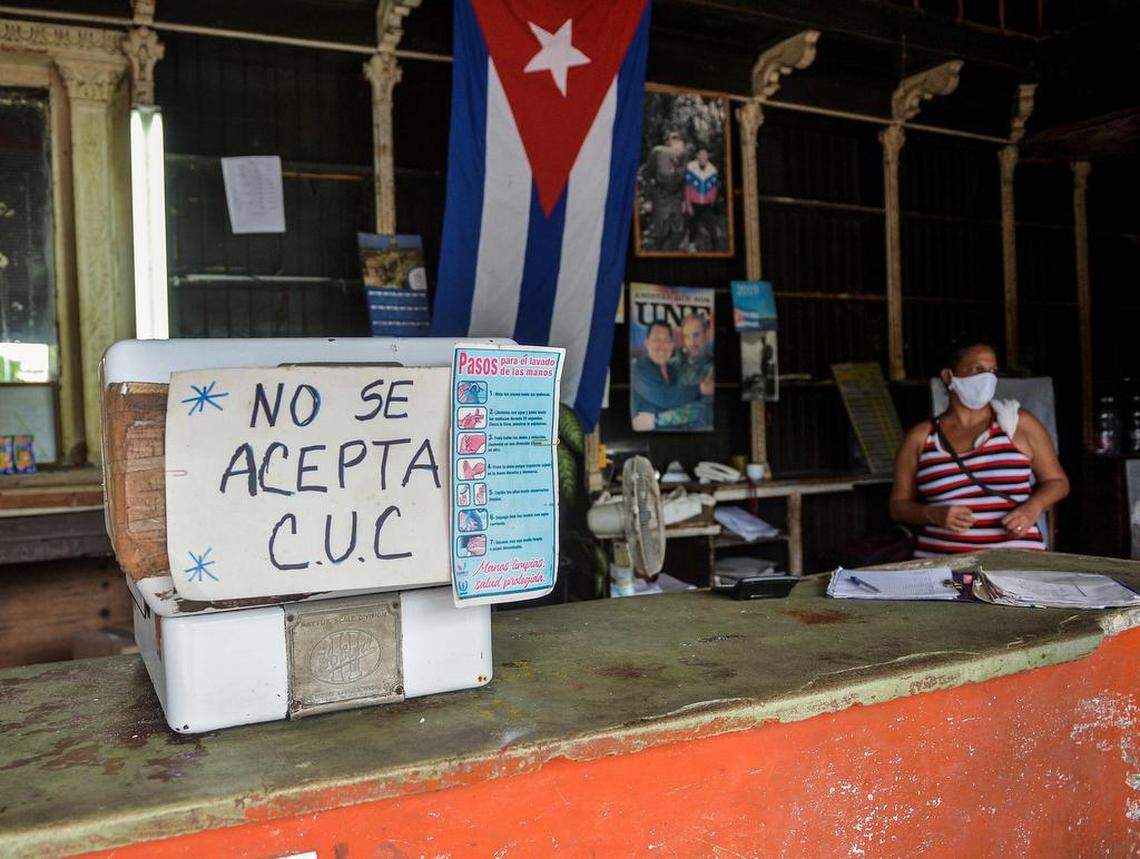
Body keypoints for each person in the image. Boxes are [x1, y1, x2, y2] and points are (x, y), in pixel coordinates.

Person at [889, 336, 1069, 557]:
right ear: (948, 376)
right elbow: (898, 506)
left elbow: (1058, 482)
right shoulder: (920, 437)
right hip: (941, 568)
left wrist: (1033, 508)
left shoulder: (1018, 423)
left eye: (992, 371)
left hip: (1018, 566)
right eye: (977, 370)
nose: (987, 379)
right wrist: (932, 514)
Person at [631, 321, 707, 431]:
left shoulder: (675, 370)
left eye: (666, 340)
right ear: (647, 343)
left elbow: (692, 405)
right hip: (647, 441)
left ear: (672, 345)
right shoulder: (639, 369)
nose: (662, 346)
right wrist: (700, 389)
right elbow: (666, 397)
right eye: (656, 340)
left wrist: (656, 420)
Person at [640, 131, 687, 250]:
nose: (677, 143)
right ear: (668, 143)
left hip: (676, 197)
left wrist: (683, 200)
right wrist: (647, 199)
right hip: (660, 196)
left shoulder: (684, 157)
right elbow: (647, 175)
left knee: (678, 231)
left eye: (679, 141)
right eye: (673, 140)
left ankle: (671, 255)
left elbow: (684, 181)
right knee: (660, 232)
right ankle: (658, 255)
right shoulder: (658, 153)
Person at [683, 147, 719, 251]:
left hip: (707, 205)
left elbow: (714, 188)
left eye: (705, 155)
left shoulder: (713, 170)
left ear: (707, 156)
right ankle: (691, 245)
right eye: (701, 154)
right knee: (693, 226)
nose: (703, 157)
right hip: (694, 204)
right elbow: (687, 187)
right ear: (697, 156)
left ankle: (715, 250)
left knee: (712, 227)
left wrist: (711, 199)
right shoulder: (690, 168)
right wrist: (688, 204)